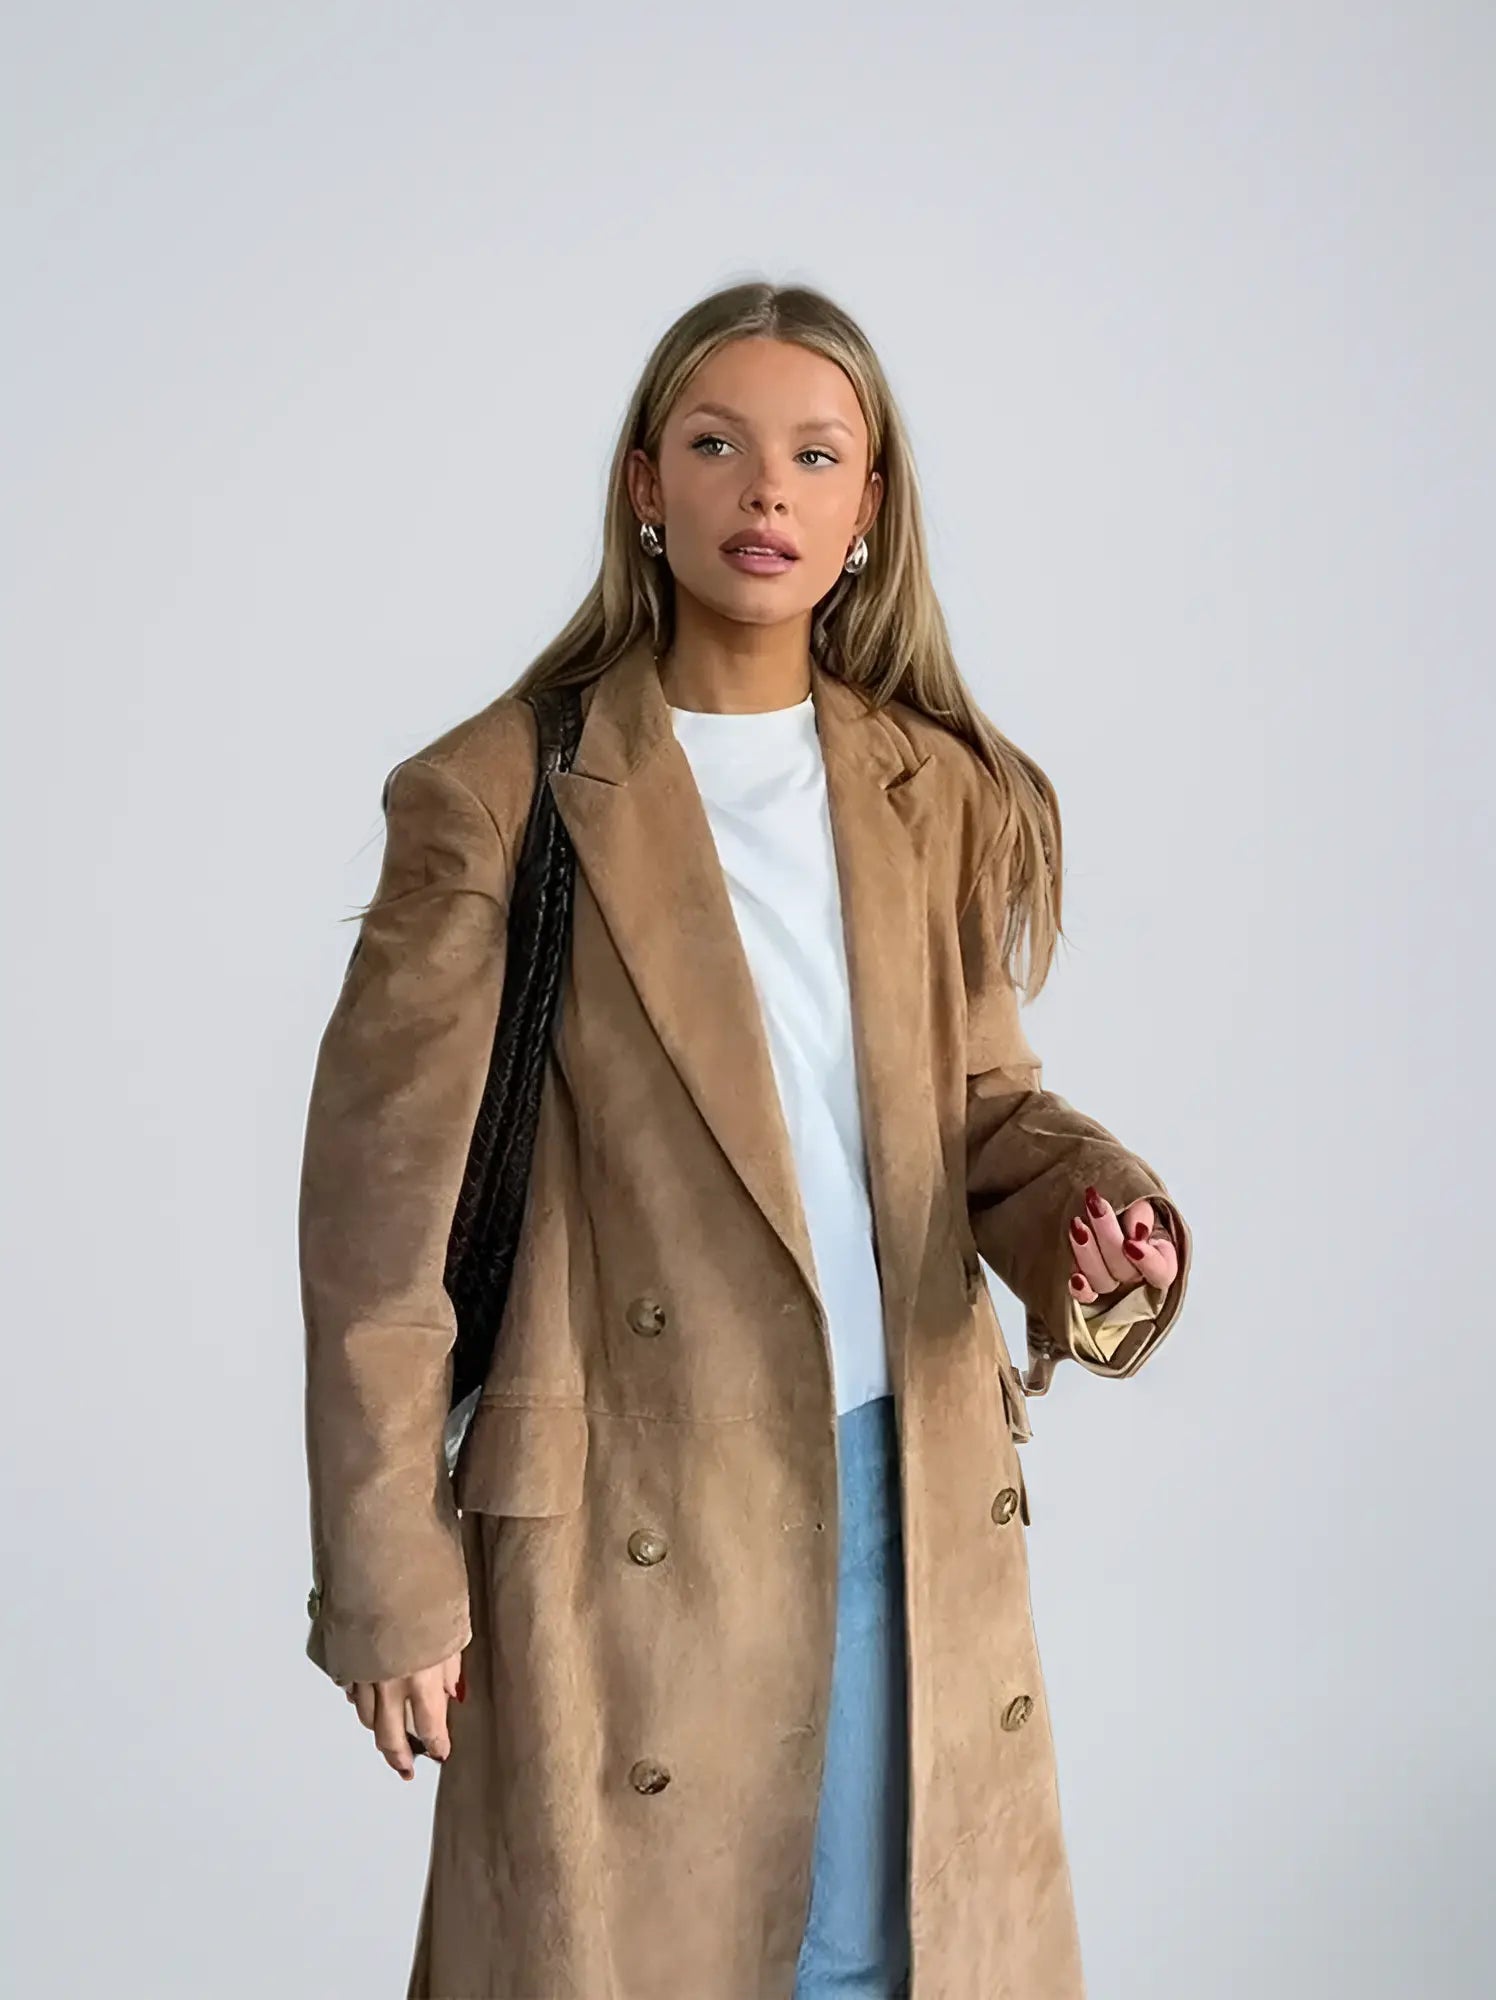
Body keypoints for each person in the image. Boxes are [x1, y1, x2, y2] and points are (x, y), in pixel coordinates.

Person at [298, 279, 1192, 2000]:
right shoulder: (496, 791)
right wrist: (388, 1570)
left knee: (887, 1957)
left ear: (869, 510)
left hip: (903, 1479)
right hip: (635, 1515)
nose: (765, 488)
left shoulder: (933, 789)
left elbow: (981, 1116)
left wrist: (1098, 1218)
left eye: (814, 454)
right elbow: (375, 1220)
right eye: (716, 445)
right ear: (647, 484)